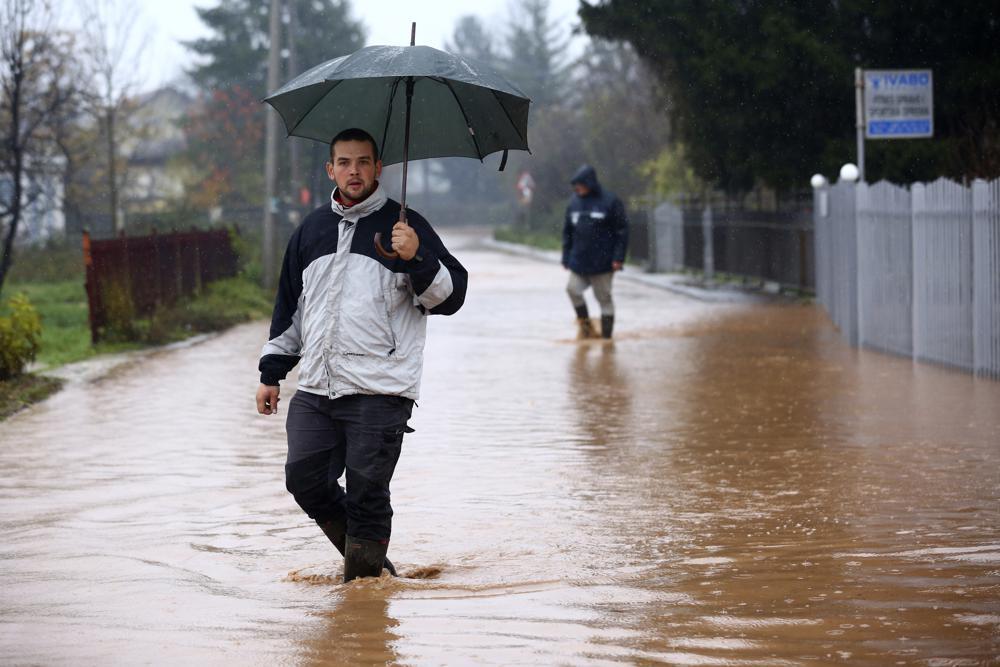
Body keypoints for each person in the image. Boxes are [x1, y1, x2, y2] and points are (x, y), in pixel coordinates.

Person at [255, 128, 467, 582]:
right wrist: (272, 371)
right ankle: (376, 576)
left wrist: (417, 258)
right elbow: (290, 309)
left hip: (382, 388)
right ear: (330, 169)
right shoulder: (310, 230)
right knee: (304, 478)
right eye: (345, 163)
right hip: (317, 384)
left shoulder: (407, 227)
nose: (355, 171)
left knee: (368, 491)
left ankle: (364, 598)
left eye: (364, 162)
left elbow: (451, 297)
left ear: (378, 168)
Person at [561, 164, 629, 339]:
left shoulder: (610, 201)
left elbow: (622, 231)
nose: (577, 188)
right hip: (579, 262)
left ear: (590, 183)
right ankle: (586, 330)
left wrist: (618, 258)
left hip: (603, 263)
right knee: (572, 290)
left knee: (603, 299)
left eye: (580, 185)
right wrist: (566, 256)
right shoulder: (574, 203)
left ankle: (606, 340)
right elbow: (567, 231)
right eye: (575, 186)